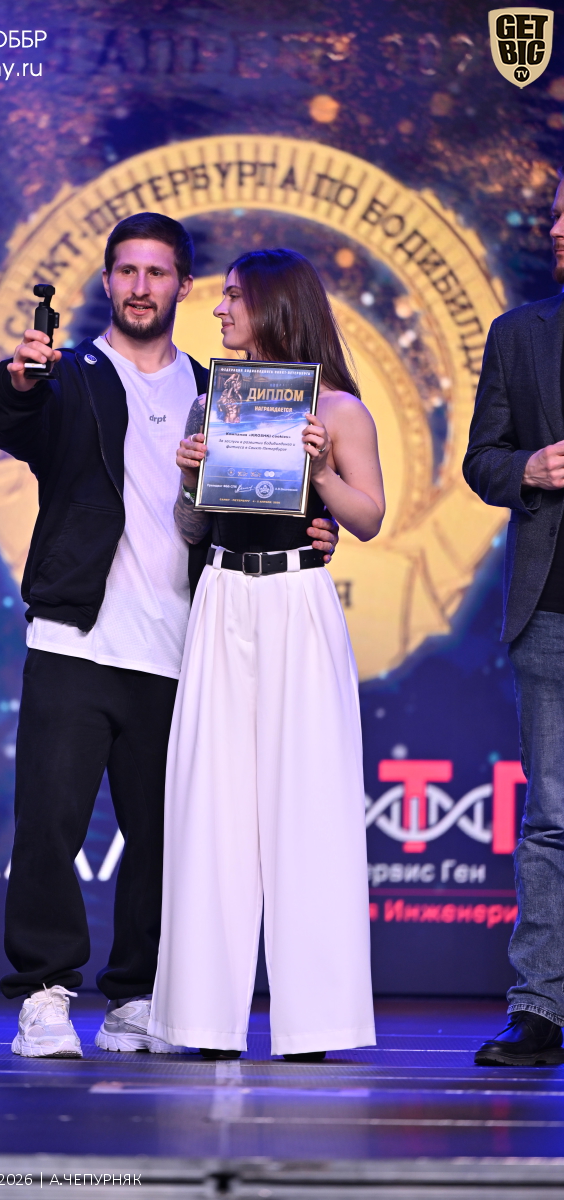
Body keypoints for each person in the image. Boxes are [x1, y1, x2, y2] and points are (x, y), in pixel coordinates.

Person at [0, 214, 341, 1059]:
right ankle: (43, 994)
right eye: (126, 271)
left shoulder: (227, 389)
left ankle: (137, 996)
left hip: (187, 644)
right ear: (106, 281)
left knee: (165, 837)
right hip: (75, 637)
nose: (140, 286)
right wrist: (20, 383)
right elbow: (13, 425)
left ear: (184, 284)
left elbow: (268, 501)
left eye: (157, 272)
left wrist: (316, 530)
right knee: (49, 826)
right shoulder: (67, 375)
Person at [149, 249, 384, 1060]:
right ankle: (200, 1021)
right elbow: (192, 526)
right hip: (222, 596)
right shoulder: (210, 403)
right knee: (209, 804)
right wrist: (190, 478)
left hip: (296, 597)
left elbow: (368, 517)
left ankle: (316, 1023)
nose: (219, 310)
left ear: (276, 306)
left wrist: (319, 471)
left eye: (233, 298)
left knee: (307, 803)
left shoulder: (339, 408)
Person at [464, 171, 564, 1068]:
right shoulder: (519, 333)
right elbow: (481, 459)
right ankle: (539, 1010)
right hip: (550, 610)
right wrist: (529, 468)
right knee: (552, 819)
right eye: (558, 213)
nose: (559, 228)